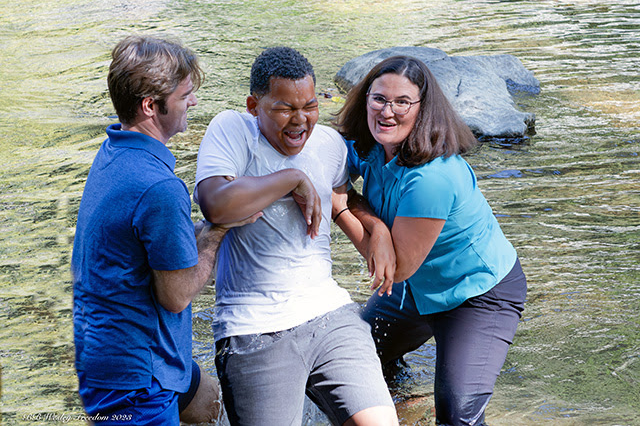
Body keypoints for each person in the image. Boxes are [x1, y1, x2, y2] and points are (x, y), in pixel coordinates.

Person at [194, 46, 398, 426]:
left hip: (329, 314)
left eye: (309, 106)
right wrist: (290, 179)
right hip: (253, 327)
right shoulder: (233, 130)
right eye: (285, 108)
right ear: (254, 105)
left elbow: (343, 196)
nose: (300, 120)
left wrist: (377, 228)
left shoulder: (327, 144)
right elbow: (215, 205)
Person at [71, 35, 259, 425]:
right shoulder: (159, 187)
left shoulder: (113, 152)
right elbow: (176, 295)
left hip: (111, 349)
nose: (193, 102)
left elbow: (142, 244)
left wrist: (201, 227)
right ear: (151, 106)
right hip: (134, 379)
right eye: (185, 94)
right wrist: (218, 230)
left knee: (209, 402)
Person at [333, 55, 528, 426]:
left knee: (457, 416)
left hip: (478, 296)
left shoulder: (433, 178)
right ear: (365, 100)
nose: (387, 111)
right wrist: (373, 224)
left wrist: (341, 208)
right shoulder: (370, 146)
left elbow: (399, 268)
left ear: (423, 110)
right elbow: (324, 163)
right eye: (379, 99)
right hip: (415, 291)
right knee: (351, 364)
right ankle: (401, 405)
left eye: (402, 102)